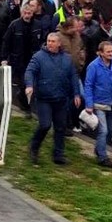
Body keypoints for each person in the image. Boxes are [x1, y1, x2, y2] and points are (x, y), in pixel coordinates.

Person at [25, 31, 82, 165]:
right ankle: (34, 146)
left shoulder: (67, 59)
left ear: (59, 44)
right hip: (44, 98)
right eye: (48, 41)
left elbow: (73, 76)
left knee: (60, 127)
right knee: (45, 125)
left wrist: (76, 93)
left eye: (53, 41)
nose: (50, 43)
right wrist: (29, 85)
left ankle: (58, 154)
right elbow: (30, 71)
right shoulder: (38, 57)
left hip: (61, 98)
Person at [83, 40, 112, 167]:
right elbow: (88, 85)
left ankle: (99, 148)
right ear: (100, 53)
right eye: (108, 52)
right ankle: (102, 156)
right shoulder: (93, 66)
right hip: (99, 102)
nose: (111, 53)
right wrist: (89, 104)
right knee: (103, 130)